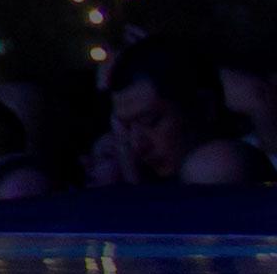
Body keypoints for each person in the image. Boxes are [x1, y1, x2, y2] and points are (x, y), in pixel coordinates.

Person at [106, 37, 276, 186]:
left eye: (151, 121)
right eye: (126, 128)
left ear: (204, 108)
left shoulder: (218, 165)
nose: (137, 145)